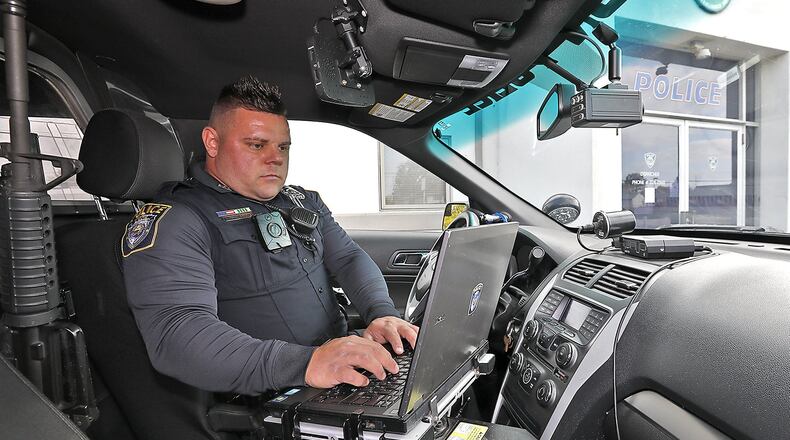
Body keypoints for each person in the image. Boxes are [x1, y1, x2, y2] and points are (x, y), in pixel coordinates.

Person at [122, 75, 419, 395]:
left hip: (336, 369)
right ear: (212, 142)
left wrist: (381, 313)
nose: (275, 158)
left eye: (282, 146)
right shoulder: (178, 220)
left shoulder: (302, 201)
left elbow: (347, 258)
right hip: (269, 397)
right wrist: (305, 364)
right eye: (256, 145)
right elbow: (177, 334)